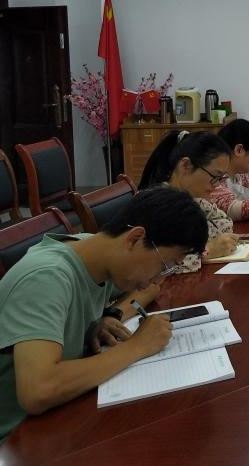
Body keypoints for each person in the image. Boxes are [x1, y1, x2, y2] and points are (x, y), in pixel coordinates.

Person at [0, 187, 208, 440]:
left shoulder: (96, 251)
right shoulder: (46, 277)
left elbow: (148, 289)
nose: (157, 279)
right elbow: (38, 390)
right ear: (135, 238)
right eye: (164, 265)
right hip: (17, 438)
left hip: (63, 413)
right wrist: (138, 346)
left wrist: (112, 314)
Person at [139, 130, 240, 269]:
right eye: (214, 176)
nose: (217, 185)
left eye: (220, 178)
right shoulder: (154, 205)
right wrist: (207, 250)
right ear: (185, 165)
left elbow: (225, 223)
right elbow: (156, 262)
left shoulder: (192, 199)